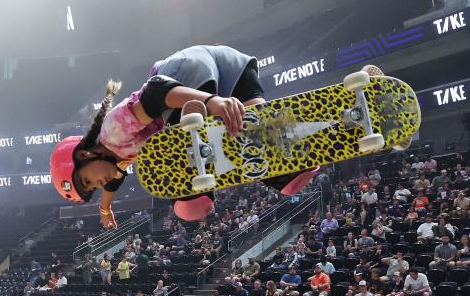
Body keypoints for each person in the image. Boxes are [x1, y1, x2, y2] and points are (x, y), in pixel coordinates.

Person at [50, 45, 321, 228]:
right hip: (232, 68)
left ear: (86, 153)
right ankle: (301, 149)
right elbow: (114, 179)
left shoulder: (112, 131)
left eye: (88, 179)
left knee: (187, 203)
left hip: (183, 75)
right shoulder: (114, 157)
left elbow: (157, 92)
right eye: (93, 188)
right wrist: (104, 208)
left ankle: (194, 121)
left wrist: (212, 101)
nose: (99, 183)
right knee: (275, 160)